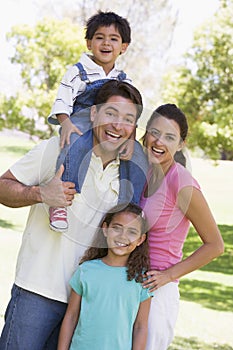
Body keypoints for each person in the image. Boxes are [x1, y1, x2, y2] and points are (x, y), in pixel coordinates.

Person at [0, 80, 148, 350]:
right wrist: (40, 193)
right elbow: (3, 186)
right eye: (111, 113)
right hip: (38, 291)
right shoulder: (57, 150)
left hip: (88, 301)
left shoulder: (129, 172)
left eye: (128, 119)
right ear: (93, 114)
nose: (118, 125)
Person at [139, 103, 224, 350]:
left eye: (169, 137)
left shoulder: (182, 181)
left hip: (158, 293)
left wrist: (169, 275)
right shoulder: (146, 173)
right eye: (155, 132)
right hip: (133, 285)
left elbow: (215, 245)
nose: (159, 142)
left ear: (181, 144)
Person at [47, 10, 141, 232]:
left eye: (113, 39)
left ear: (124, 47)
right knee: (76, 142)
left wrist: (131, 139)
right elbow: (63, 99)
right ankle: (61, 199)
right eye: (99, 37)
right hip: (79, 120)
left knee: (136, 153)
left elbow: (132, 111)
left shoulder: (123, 79)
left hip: (111, 127)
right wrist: (66, 123)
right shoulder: (78, 72)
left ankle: (132, 207)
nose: (106, 43)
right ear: (89, 43)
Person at [57, 202, 153, 350]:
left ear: (140, 239)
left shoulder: (141, 280)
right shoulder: (86, 271)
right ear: (105, 229)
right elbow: (71, 316)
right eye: (117, 228)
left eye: (132, 232)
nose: (123, 236)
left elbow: (140, 326)